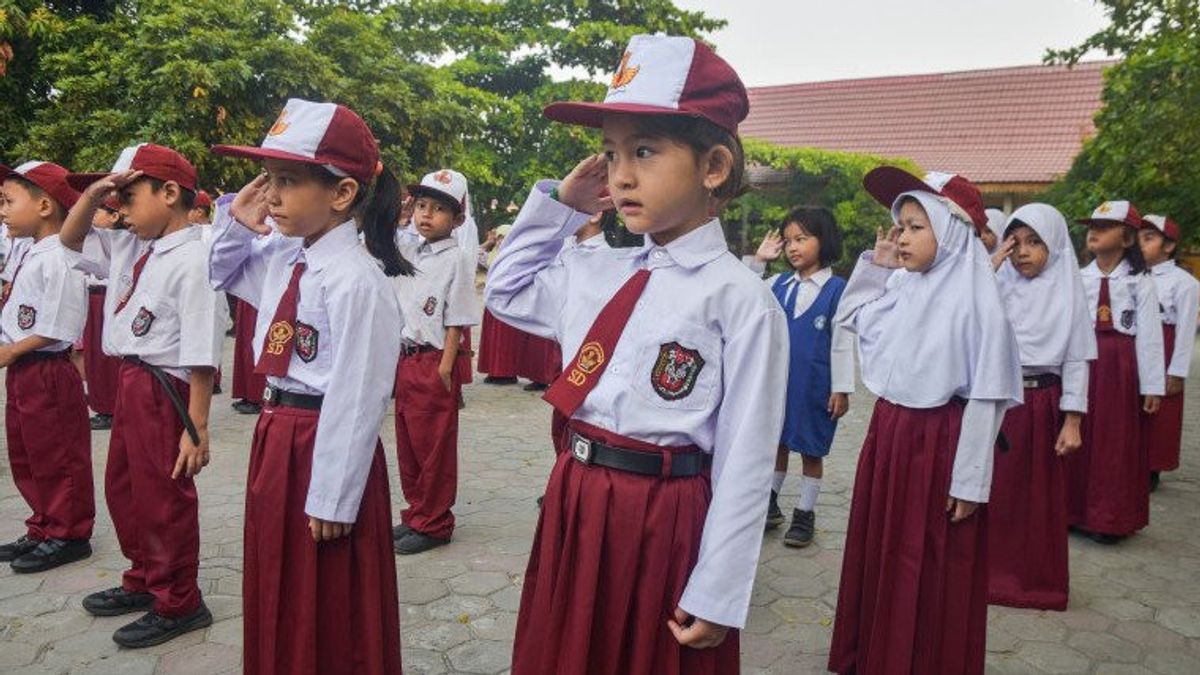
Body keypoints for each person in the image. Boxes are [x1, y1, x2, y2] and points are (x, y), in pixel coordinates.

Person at [486, 34, 789, 674]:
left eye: (645, 151)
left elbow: (746, 455)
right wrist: (560, 209)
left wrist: (720, 588)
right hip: (576, 495)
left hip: (664, 513)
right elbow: (506, 293)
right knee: (566, 651)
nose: (621, 174)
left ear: (712, 167)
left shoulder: (739, 298)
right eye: (610, 152)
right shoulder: (597, 272)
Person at [208, 98, 406, 675]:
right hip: (277, 434)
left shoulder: (357, 280)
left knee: (328, 595)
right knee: (276, 574)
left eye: (287, 181)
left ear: (341, 195)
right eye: (267, 179)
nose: (271, 195)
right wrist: (237, 225)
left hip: (322, 440)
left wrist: (334, 495)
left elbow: (358, 394)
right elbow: (219, 274)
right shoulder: (284, 258)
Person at [828, 167, 1022, 675]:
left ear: (952, 231)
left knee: (929, 559)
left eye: (917, 226)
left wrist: (971, 480)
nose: (902, 237)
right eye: (901, 225)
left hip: (939, 443)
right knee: (884, 551)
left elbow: (987, 396)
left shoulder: (978, 304)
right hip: (890, 434)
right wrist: (876, 265)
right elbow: (853, 318)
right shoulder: (900, 288)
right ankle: (873, 652)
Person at [62, 143, 224, 647]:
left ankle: (180, 600)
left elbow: (202, 350)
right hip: (132, 381)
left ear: (170, 192)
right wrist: (93, 195)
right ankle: (144, 578)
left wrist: (196, 429)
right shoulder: (134, 245)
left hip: (165, 386)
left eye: (128, 197)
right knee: (126, 489)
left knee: (163, 497)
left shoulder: (195, 256)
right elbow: (69, 241)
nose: (119, 209)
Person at [987, 203, 1096, 610]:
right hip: (999, 400)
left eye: (1035, 242)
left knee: (1036, 497)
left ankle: (1035, 582)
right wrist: (992, 264)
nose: (1024, 253)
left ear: (1054, 244)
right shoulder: (998, 284)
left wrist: (1073, 421)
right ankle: (988, 574)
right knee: (995, 491)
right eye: (1016, 242)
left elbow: (1077, 358)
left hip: (1042, 403)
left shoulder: (1069, 291)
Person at [0, 161, 94, 573]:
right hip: (24, 367)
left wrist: (11, 351)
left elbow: (60, 325)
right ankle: (42, 523)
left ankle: (69, 533)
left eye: (7, 201)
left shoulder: (60, 257)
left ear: (43, 205)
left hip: (46, 369)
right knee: (29, 454)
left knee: (58, 456)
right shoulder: (30, 251)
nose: (1, 210)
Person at [749, 206, 852, 547]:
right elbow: (743, 293)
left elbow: (842, 341)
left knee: (810, 449)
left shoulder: (838, 289)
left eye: (802, 239)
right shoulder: (778, 284)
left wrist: (842, 387)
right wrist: (760, 260)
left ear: (823, 241)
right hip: (779, 383)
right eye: (788, 240)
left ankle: (805, 514)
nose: (793, 247)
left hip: (816, 386)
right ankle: (770, 503)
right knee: (775, 443)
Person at [391, 168, 480, 555]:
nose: (426, 215)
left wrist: (446, 367)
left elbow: (457, 318)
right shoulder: (409, 250)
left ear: (457, 219)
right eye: (421, 205)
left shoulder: (456, 258)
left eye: (438, 209)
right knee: (409, 443)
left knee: (433, 446)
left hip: (432, 362)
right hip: (405, 359)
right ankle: (416, 512)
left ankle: (436, 522)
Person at [1070, 200, 1164, 543]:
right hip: (1084, 360)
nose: (1093, 232)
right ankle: (1073, 510)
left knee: (1113, 442)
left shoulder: (1140, 281)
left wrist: (1152, 385)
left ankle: (1107, 518)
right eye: (1091, 226)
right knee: (1079, 432)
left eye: (1104, 226)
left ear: (1127, 238)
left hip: (1120, 367)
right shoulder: (1078, 278)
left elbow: (1151, 335)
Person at [1139, 214, 1198, 488]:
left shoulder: (1184, 283)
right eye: (1138, 238)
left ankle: (1152, 467)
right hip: (1139, 345)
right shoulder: (1134, 275)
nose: (1141, 244)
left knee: (1160, 414)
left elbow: (1186, 330)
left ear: (1169, 246)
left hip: (1166, 344)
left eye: (1149, 238)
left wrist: (1176, 371)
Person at [81, 198, 125, 430]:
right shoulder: (93, 236)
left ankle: (113, 407)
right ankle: (102, 405)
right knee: (95, 357)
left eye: (98, 209)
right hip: (94, 296)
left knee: (110, 358)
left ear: (114, 216)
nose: (93, 214)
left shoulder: (122, 240)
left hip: (110, 296)